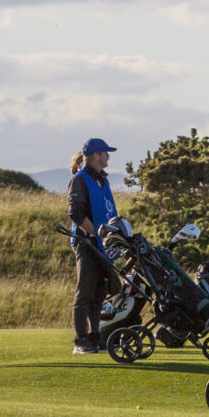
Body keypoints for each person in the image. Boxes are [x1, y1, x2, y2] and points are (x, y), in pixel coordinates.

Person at [67, 137, 120, 355]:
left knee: (99, 292)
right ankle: (81, 340)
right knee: (85, 293)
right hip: (86, 242)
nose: (108, 156)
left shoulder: (102, 180)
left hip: (101, 244)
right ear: (96, 155)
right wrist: (97, 233)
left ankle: (96, 337)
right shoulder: (80, 180)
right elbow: (76, 214)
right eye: (105, 153)